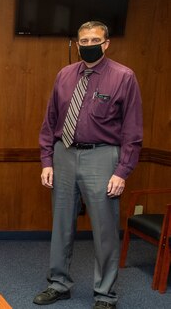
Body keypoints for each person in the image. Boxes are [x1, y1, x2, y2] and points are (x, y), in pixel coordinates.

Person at [35, 21, 143, 309]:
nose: (89, 44)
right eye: (84, 40)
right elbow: (50, 122)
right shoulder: (64, 75)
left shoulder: (124, 77)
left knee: (105, 229)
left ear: (106, 43)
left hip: (102, 156)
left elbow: (133, 131)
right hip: (64, 154)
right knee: (61, 226)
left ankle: (105, 294)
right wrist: (47, 160)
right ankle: (58, 284)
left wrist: (122, 171)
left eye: (95, 39)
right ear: (77, 43)